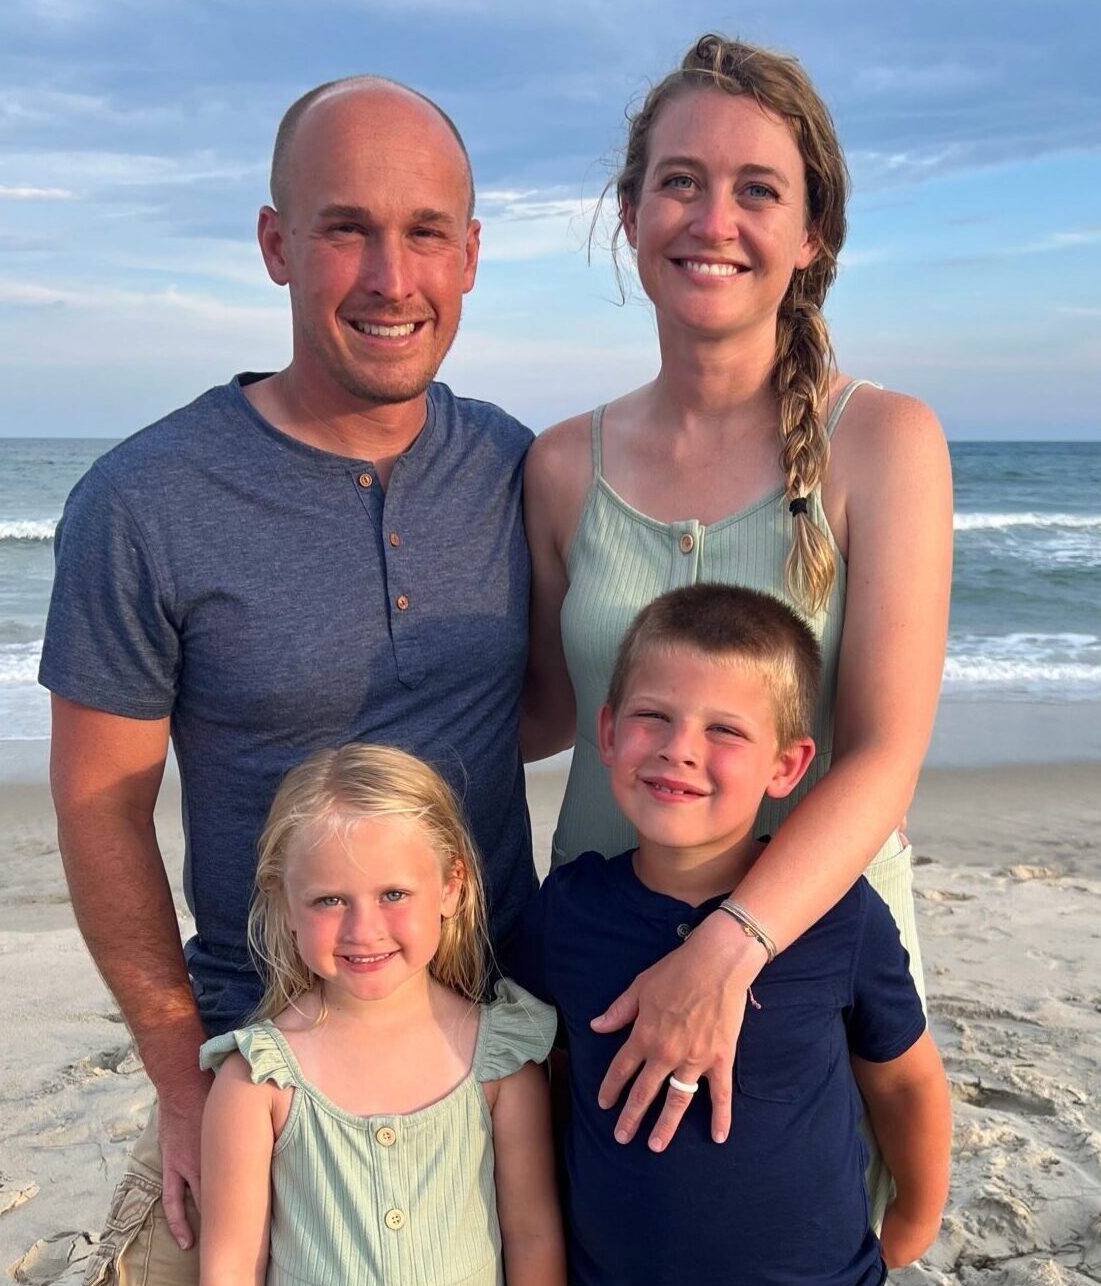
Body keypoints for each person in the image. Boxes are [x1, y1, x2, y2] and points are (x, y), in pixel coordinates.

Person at [40, 77, 538, 1285]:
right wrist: (178, 1076)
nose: (389, 275)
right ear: (276, 244)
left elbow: (571, 702)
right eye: (344, 228)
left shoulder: (518, 471)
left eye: (425, 232)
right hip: (262, 1060)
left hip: (501, 1046)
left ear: (471, 257)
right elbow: (99, 801)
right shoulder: (145, 502)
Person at [520, 33, 954, 1211]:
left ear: (811, 235)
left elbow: (883, 752)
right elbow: (543, 716)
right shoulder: (563, 464)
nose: (714, 218)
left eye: (758, 189)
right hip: (604, 946)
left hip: (815, 951)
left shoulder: (887, 442)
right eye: (680, 181)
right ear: (630, 212)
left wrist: (727, 946)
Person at [509, 585, 952, 1283]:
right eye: (652, 717)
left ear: (786, 766)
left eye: (724, 731)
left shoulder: (836, 915)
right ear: (607, 734)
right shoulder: (566, 911)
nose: (679, 751)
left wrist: (914, 1220)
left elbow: (903, 1085)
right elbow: (544, 1084)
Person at [199, 744, 564, 1286]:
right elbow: (231, 1265)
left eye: (393, 893)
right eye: (329, 900)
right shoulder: (258, 1078)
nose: (362, 931)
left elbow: (532, 1236)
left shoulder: (502, 1058)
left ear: (450, 888)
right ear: (284, 904)